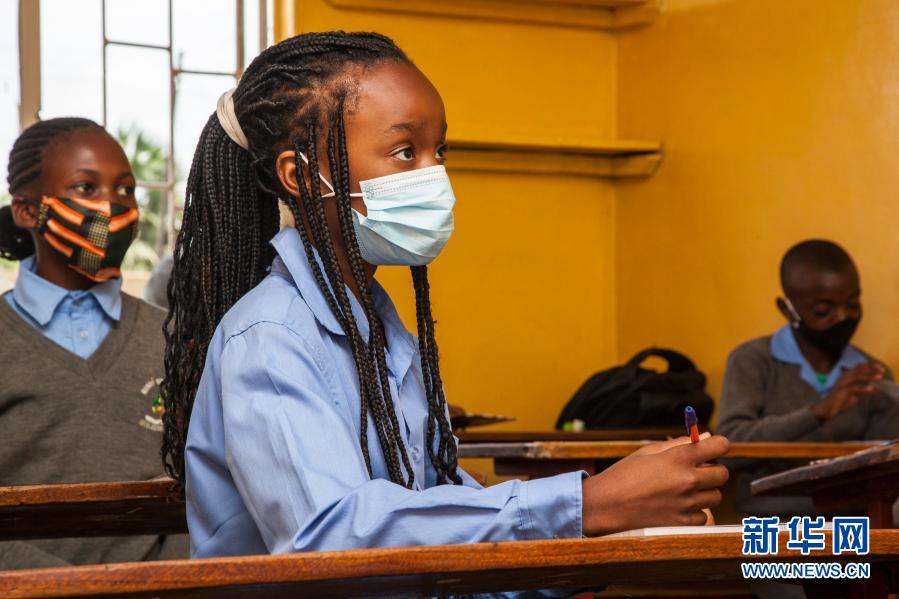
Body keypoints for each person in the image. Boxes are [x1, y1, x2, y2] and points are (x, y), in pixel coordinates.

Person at [163, 32, 729, 565]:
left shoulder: (380, 333)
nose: (435, 176)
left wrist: (615, 526)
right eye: (405, 152)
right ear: (302, 176)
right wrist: (591, 503)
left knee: (752, 564)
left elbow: (445, 528)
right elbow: (330, 540)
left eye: (440, 150)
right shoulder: (270, 338)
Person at [0, 117, 187, 569]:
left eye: (125, 190)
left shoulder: (173, 338)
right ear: (27, 211)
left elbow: (201, 485)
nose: (112, 205)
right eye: (86, 188)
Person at [717, 239, 899, 517]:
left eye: (852, 305)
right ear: (787, 309)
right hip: (771, 518)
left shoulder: (871, 372)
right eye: (824, 310)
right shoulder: (753, 360)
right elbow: (729, 446)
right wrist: (817, 413)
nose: (843, 317)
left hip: (851, 519)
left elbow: (885, 468)